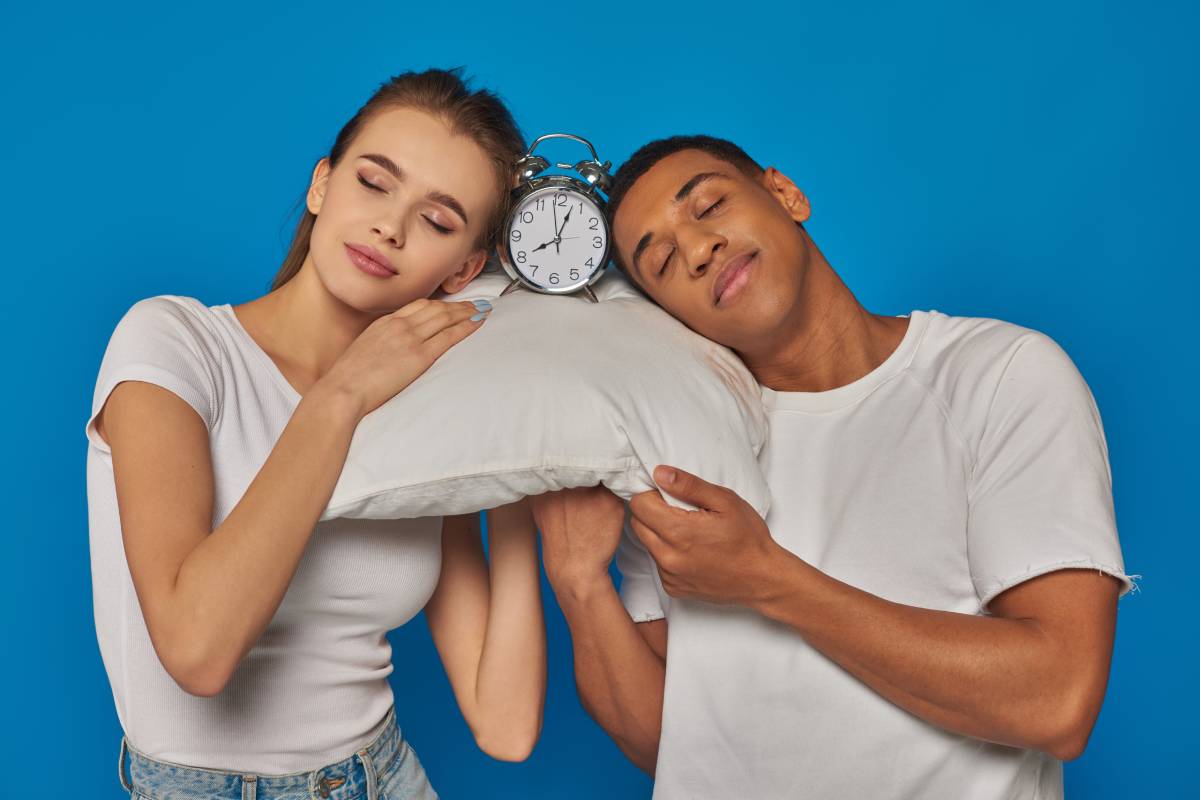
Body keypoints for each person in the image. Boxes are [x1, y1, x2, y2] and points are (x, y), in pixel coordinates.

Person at [531, 135, 1131, 799]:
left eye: (709, 206)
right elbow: (671, 743)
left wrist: (769, 580)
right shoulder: (673, 452)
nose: (699, 251)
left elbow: (1057, 703)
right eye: (664, 261)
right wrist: (577, 579)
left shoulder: (998, 376)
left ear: (786, 194)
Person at [85, 68, 546, 800]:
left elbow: (505, 725)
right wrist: (341, 395)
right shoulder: (174, 344)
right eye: (373, 182)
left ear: (462, 272)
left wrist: (523, 476)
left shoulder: (428, 414)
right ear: (322, 185)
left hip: (386, 778)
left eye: (437, 220)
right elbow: (197, 652)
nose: (389, 227)